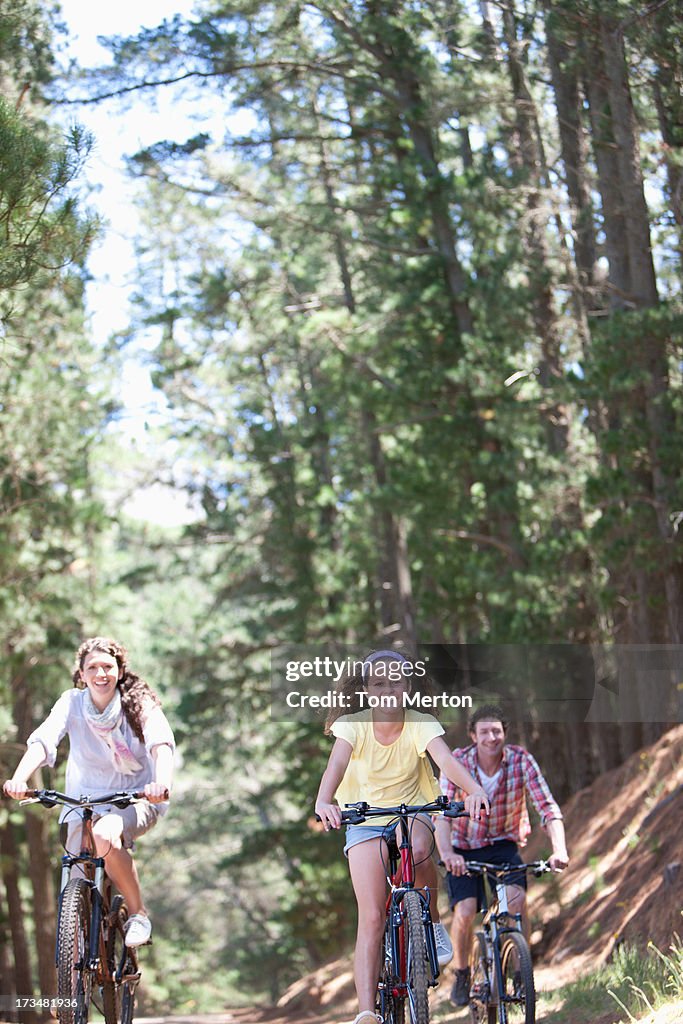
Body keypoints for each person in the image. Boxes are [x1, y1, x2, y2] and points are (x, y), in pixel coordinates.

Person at [315, 650, 490, 1024]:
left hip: (414, 809)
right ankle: (366, 1011)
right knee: (373, 915)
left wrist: (474, 789)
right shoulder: (354, 725)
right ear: (367, 689)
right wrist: (324, 801)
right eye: (379, 683)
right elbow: (337, 764)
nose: (388, 689)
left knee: (422, 847)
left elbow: (446, 761)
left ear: (407, 685)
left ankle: (431, 921)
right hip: (365, 816)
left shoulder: (421, 723)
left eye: (395, 681)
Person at [3, 636, 175, 947]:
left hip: (136, 798)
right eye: (92, 668)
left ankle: (138, 914)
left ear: (120, 671)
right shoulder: (71, 703)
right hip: (84, 799)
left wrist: (159, 783)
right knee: (75, 872)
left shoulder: (138, 703)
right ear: (82, 674)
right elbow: (44, 741)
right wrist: (19, 779)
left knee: (103, 834)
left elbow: (160, 744)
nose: (101, 674)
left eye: (108, 666)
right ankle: (77, 956)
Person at [434, 703, 569, 1007]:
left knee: (517, 901)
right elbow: (442, 815)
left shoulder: (521, 760)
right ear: (473, 735)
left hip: (504, 845)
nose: (491, 737)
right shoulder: (459, 762)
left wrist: (559, 848)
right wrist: (446, 853)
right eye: (484, 731)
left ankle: (521, 965)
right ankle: (464, 972)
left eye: (497, 731)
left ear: (504, 733)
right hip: (463, 849)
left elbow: (547, 808)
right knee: (466, 911)